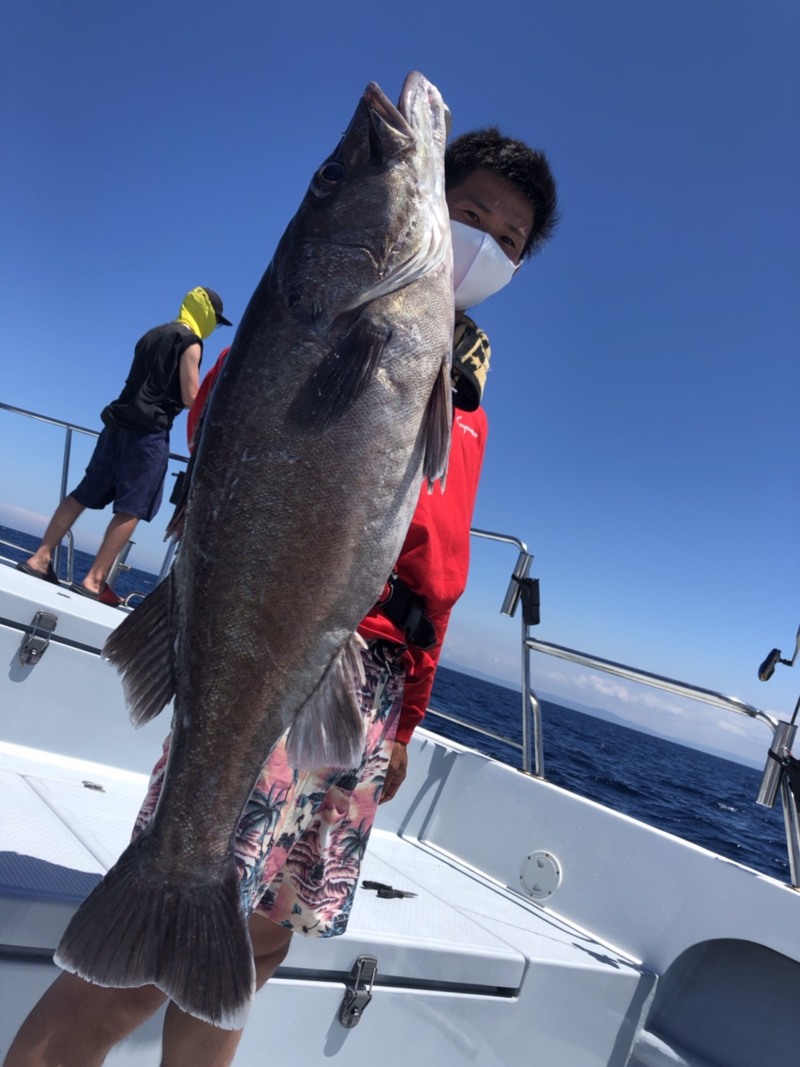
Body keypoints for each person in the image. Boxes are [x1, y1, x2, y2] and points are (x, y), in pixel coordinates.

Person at [3, 128, 558, 1067]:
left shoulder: (465, 392)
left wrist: (404, 728)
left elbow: (442, 573)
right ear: (424, 211)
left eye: (510, 239)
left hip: (368, 688)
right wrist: (311, 321)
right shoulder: (344, 316)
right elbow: (227, 409)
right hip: (273, 643)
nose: (487, 245)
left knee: (262, 937)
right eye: (469, 215)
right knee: (150, 946)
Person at [16, 287, 232, 605]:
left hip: (115, 426)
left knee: (83, 493)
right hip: (149, 433)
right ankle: (93, 579)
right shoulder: (190, 342)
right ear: (206, 315)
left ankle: (40, 558)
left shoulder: (152, 334)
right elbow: (190, 396)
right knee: (133, 506)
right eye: (215, 320)